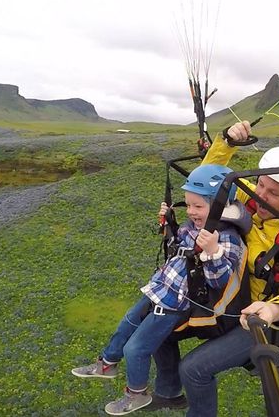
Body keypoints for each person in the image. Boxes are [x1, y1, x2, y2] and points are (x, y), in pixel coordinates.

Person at [149, 120, 279, 416]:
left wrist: (276, 310)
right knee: (158, 326)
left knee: (194, 369)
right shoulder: (257, 201)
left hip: (260, 320)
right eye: (260, 184)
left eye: (273, 193)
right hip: (229, 299)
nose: (261, 196)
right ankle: (168, 392)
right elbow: (209, 183)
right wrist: (227, 143)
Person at [71, 164, 250, 416]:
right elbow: (179, 246)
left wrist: (214, 252)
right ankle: (107, 364)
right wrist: (170, 224)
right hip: (161, 289)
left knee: (137, 348)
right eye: (188, 205)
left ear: (220, 204)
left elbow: (220, 282)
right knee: (128, 321)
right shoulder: (196, 224)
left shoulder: (226, 237)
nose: (191, 211)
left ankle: (137, 394)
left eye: (198, 206)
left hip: (176, 303)